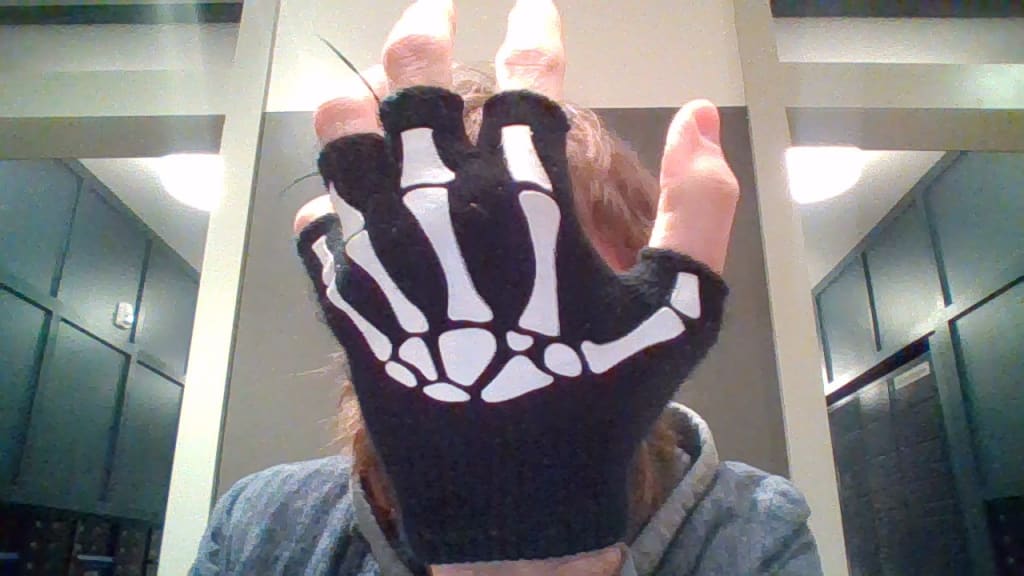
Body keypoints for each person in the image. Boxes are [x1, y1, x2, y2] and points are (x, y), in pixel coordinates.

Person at [192, 1, 823, 574]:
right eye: (432, 272)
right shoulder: (260, 524)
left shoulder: (753, 531)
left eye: (540, 270)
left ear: (642, 287)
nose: (487, 304)